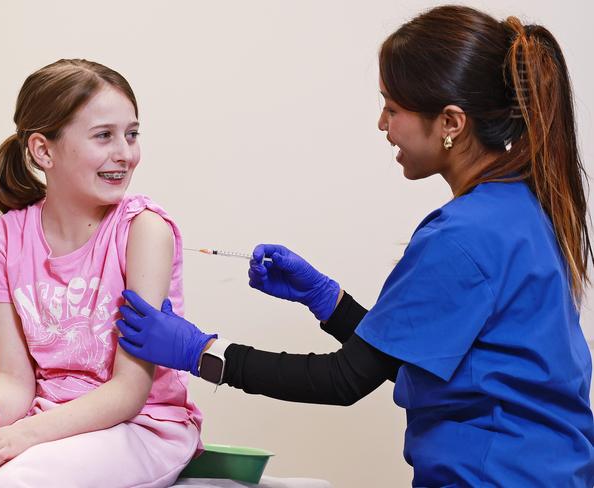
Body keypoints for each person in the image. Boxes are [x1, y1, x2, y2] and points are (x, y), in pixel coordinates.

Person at [115, 6, 594, 487]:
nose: (383, 124)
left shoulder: (463, 236)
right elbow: (418, 360)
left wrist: (201, 353)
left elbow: (345, 380)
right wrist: (329, 302)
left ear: (450, 122)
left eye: (393, 107)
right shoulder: (519, 210)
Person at [0, 59, 205, 487]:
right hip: (49, 419)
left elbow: (129, 389)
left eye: (132, 134)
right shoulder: (2, 242)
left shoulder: (143, 231)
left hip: (143, 425)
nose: (125, 153)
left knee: (15, 481)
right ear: (43, 150)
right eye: (104, 136)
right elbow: (13, 378)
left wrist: (21, 437)